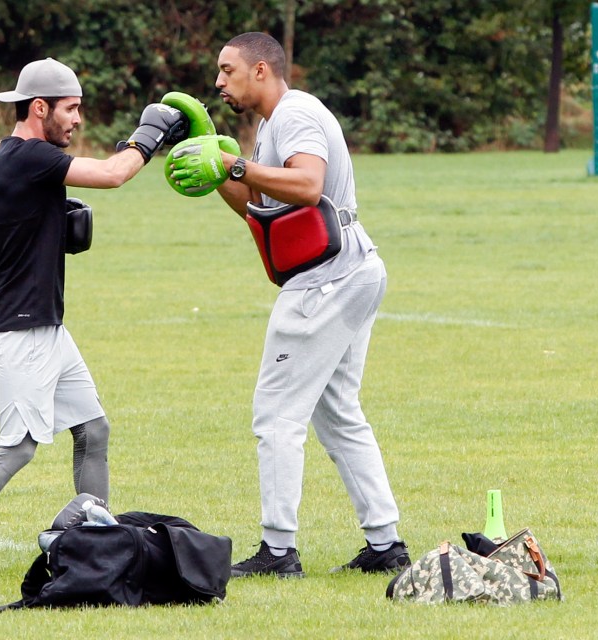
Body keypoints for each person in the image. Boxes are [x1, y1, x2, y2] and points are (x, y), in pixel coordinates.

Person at [0, 57, 185, 577]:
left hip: (44, 326)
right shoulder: (33, 157)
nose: (78, 120)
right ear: (38, 108)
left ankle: (97, 538)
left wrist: (42, 225)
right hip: (20, 331)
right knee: (17, 450)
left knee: (93, 428)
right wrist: (149, 134)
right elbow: (113, 174)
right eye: (71, 109)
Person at [208, 32, 409, 576]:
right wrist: (213, 167)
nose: (219, 81)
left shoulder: (295, 113)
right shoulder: (272, 124)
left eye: (228, 71)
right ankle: (386, 544)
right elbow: (258, 207)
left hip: (327, 279)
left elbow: (306, 183)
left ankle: (278, 551)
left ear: (261, 71)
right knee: (338, 412)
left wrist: (234, 167)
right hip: (350, 270)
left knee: (276, 415)